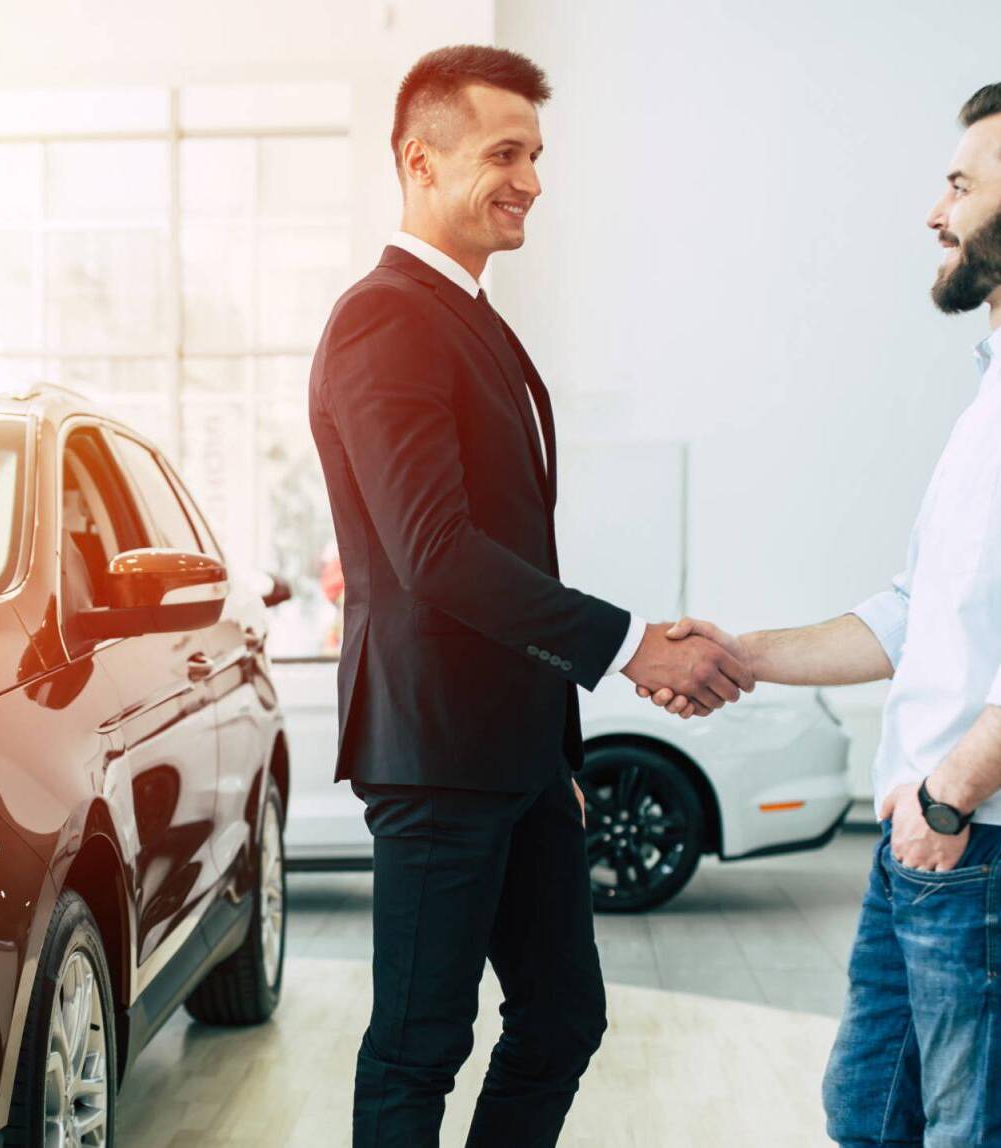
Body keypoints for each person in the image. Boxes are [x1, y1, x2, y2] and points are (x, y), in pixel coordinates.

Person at [308, 43, 753, 1147]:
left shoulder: (467, 314)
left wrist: (552, 753)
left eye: (536, 154)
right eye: (505, 153)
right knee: (419, 1043)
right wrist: (629, 645)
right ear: (420, 160)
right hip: (439, 753)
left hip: (515, 755)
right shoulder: (385, 318)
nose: (532, 181)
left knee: (560, 1015)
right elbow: (435, 550)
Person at [644, 83, 1001, 1148]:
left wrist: (946, 797)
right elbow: (910, 617)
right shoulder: (983, 399)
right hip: (923, 847)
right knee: (865, 1115)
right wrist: (734, 653)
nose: (932, 214)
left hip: (967, 842)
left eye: (958, 186)